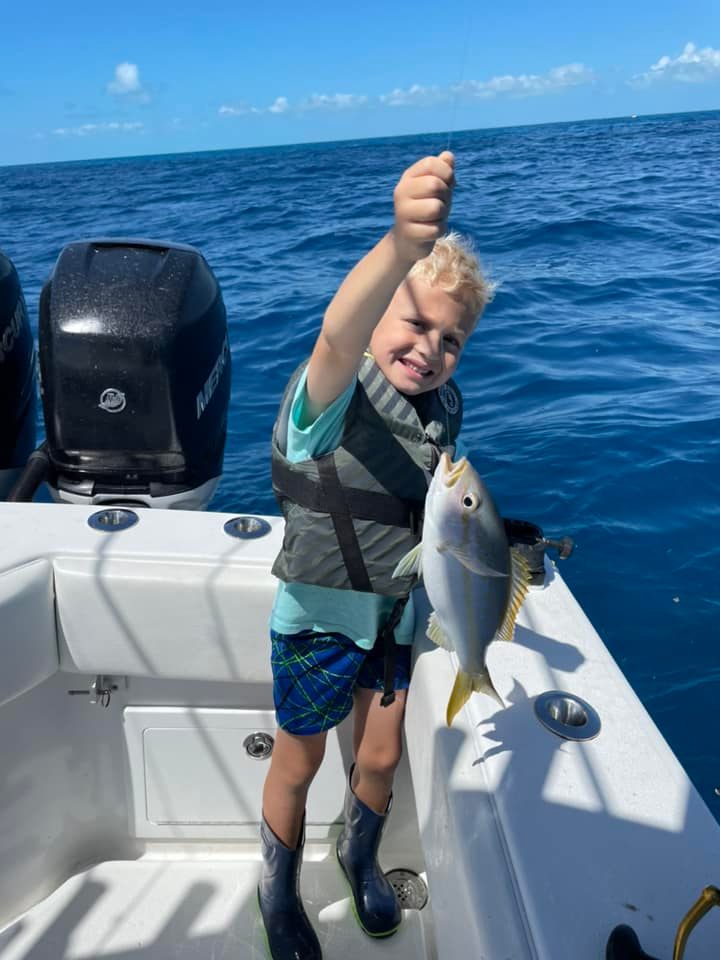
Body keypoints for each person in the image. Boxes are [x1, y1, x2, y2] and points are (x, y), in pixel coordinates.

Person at [258, 150, 493, 960]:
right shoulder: (330, 397)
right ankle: (277, 890)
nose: (430, 349)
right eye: (414, 322)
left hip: (392, 620)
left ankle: (359, 854)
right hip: (318, 620)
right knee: (299, 761)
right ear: (377, 317)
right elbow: (334, 332)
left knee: (382, 756)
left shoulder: (437, 415)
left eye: (451, 339)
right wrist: (399, 241)